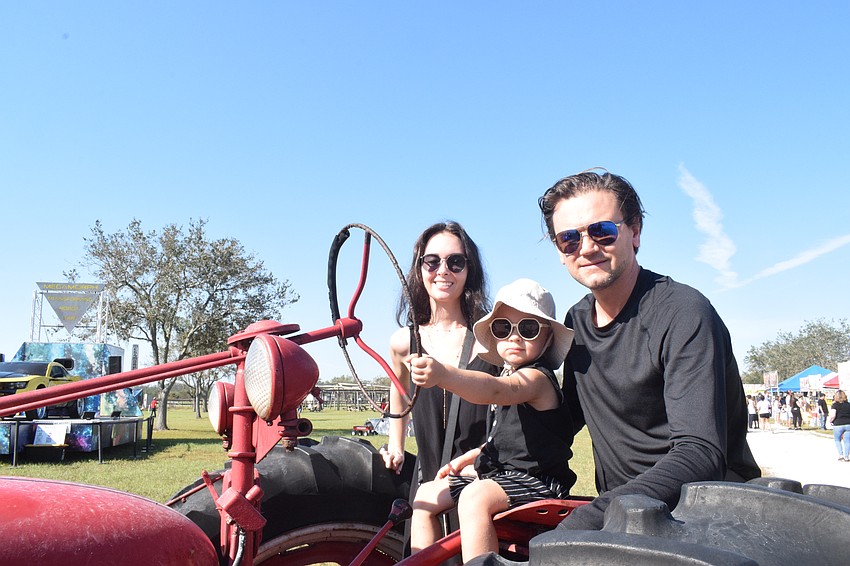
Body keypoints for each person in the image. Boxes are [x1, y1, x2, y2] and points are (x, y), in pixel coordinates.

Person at [537, 169, 761, 531]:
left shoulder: (683, 312)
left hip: (703, 518)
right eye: (569, 239)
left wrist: (593, 517)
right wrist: (493, 455)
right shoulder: (575, 322)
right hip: (626, 520)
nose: (588, 247)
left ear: (635, 231)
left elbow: (699, 452)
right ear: (560, 251)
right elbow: (566, 421)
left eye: (603, 231)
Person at [407, 278, 577, 561]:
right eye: (503, 327)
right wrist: (477, 454)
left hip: (538, 480)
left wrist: (444, 375)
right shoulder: (510, 373)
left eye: (528, 328)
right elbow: (513, 437)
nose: (514, 337)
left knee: (476, 498)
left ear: (547, 338)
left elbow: (496, 390)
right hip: (504, 474)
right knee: (426, 496)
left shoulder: (536, 380)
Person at [381, 222, 500, 534]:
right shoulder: (403, 342)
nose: (443, 270)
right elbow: (399, 390)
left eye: (455, 262)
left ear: (469, 271)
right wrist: (395, 443)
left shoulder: (492, 339)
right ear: (420, 269)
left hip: (479, 482)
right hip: (426, 481)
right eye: (432, 261)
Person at [828, 390, 850, 461]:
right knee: (847, 441)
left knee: (837, 440)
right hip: (848, 424)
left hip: (838, 424)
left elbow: (833, 415)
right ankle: (846, 456)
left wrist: (830, 421)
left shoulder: (835, 405)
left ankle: (841, 455)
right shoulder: (848, 404)